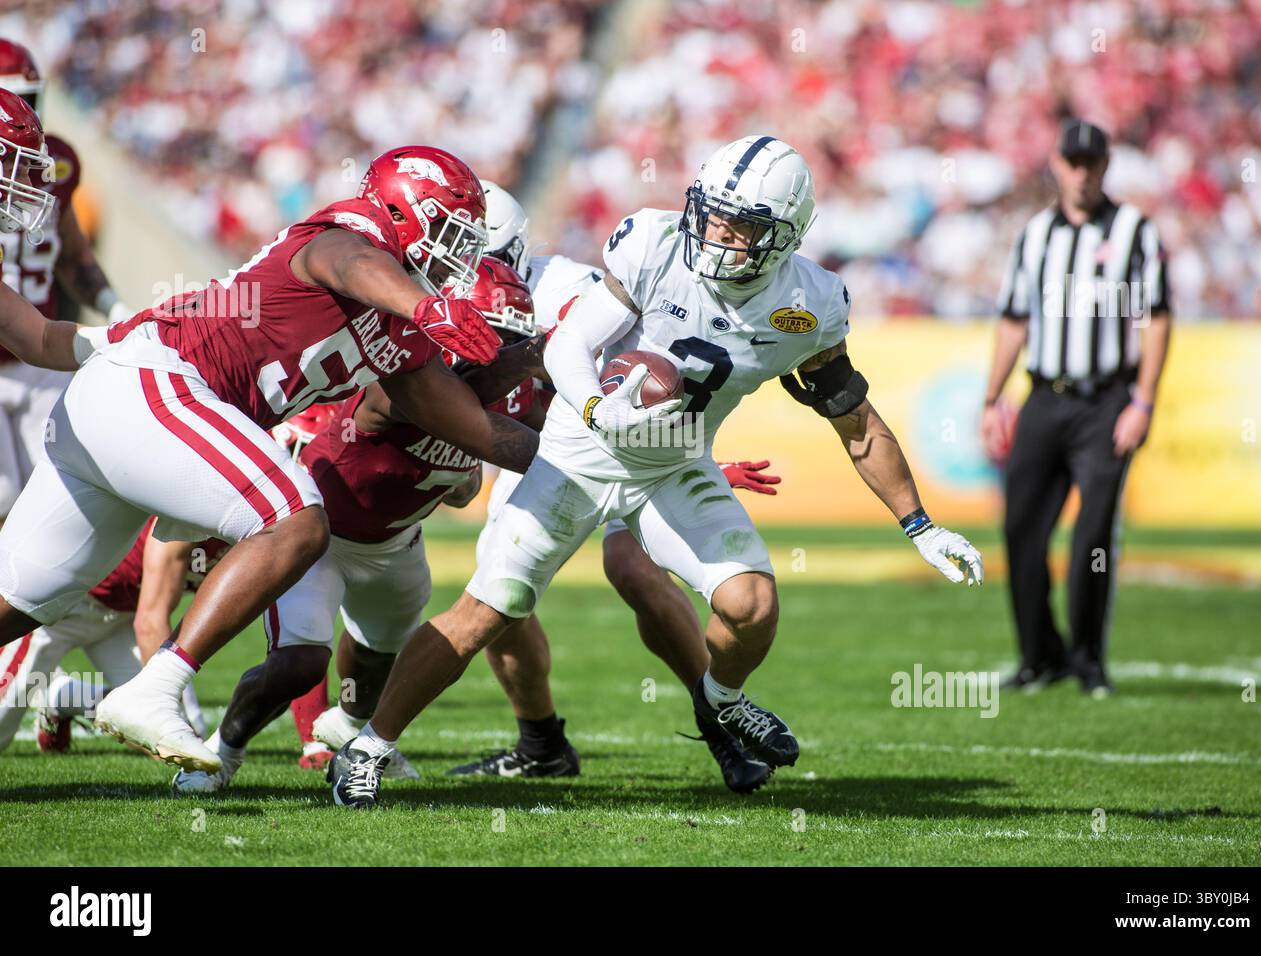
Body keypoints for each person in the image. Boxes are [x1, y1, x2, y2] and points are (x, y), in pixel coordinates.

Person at [329, 135, 984, 809]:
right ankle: (368, 747)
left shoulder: (810, 306)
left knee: (750, 603)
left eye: (744, 224)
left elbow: (857, 423)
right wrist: (594, 410)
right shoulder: (655, 244)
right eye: (713, 212)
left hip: (674, 465)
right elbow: (574, 345)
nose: (719, 233)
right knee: (490, 610)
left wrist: (920, 525)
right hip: (578, 451)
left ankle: (722, 702)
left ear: (784, 236)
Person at [0, 143, 539, 774]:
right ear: (403, 210)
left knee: (20, 601)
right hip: (150, 385)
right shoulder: (350, 234)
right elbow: (347, 262)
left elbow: (479, 429)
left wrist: (582, 458)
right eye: (450, 232)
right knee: (297, 518)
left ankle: (152, 687)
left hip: (122, 411)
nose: (459, 256)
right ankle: (157, 687)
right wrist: (423, 304)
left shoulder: (402, 338)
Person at [445, 181, 782, 793]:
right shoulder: (426, 299)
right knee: (498, 592)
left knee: (632, 566)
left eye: (477, 254)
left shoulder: (568, 289)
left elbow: (660, 372)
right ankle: (541, 742)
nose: (460, 268)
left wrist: (688, 463)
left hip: (624, 449)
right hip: (542, 461)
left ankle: (719, 726)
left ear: (513, 250)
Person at [171, 258, 543, 794]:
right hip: (319, 538)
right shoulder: (402, 370)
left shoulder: (512, 392)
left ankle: (351, 739)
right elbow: (475, 429)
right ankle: (223, 751)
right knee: (298, 665)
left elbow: (544, 438)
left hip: (398, 547)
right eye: (493, 334)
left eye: (510, 338)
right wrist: (527, 362)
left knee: (371, 676)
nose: (498, 350)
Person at [982, 119, 1172, 697]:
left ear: (1105, 167)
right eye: (1073, 162)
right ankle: (1040, 655)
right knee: (1021, 529)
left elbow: (1156, 317)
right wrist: (992, 398)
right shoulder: (1035, 232)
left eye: (1092, 163)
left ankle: (1089, 661)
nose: (1082, 173)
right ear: (1057, 164)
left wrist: (1142, 399)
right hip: (1044, 396)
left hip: (1107, 399)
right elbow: (1014, 318)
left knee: (1091, 537)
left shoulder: (1135, 229)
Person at [0, 40, 132, 519]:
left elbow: (72, 260)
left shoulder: (54, 162)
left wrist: (119, 319)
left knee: (59, 491)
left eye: (28, 104)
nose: (24, 121)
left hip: (36, 351)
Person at [0, 521, 223, 753]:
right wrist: (173, 720)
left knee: (152, 734)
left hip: (119, 619)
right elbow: (151, 622)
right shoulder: (188, 518)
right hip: (57, 611)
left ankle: (62, 696)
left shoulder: (249, 530)